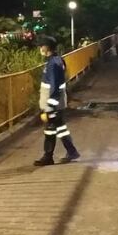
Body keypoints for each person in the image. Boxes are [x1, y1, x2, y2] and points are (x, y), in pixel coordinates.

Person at [33, 36, 81, 166]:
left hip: (53, 104)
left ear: (46, 47)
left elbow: (55, 85)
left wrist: (50, 106)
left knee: (50, 129)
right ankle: (72, 152)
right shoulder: (56, 61)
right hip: (56, 103)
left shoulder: (53, 64)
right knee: (60, 128)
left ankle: (48, 156)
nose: (39, 48)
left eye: (41, 46)